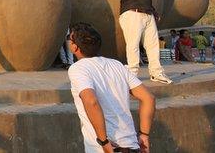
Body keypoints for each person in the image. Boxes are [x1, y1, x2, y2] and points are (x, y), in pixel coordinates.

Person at [66, 22, 156, 153]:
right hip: (131, 146)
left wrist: (103, 141)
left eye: (69, 39)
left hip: (106, 148)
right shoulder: (116, 65)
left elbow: (91, 101)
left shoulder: (78, 68)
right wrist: (144, 135)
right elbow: (149, 98)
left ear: (75, 47)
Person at [113, 0, 172, 84]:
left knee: (153, 45)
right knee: (133, 44)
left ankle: (156, 72)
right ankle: (132, 73)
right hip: (132, 13)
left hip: (147, 13)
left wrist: (153, 11)